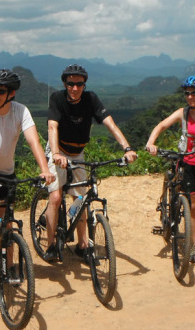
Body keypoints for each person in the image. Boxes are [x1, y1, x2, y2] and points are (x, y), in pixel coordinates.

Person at [0, 69, 55, 275]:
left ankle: (10, 263)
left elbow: (34, 141)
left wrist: (45, 170)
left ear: (11, 94)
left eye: (0, 91)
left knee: (6, 218)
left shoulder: (21, 111)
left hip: (6, 172)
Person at [44, 64, 137, 262]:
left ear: (84, 85)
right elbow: (52, 127)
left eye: (79, 84)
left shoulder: (91, 99)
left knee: (81, 198)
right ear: (65, 84)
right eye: (71, 84)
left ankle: (82, 245)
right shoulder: (57, 99)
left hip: (78, 153)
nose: (75, 88)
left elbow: (109, 123)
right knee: (56, 196)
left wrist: (127, 148)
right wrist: (55, 153)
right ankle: (50, 245)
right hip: (58, 149)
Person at [146, 75, 195, 271]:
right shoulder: (182, 113)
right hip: (187, 164)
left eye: (194, 93)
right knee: (192, 207)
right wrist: (151, 143)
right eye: (187, 93)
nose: (190, 97)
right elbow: (161, 126)